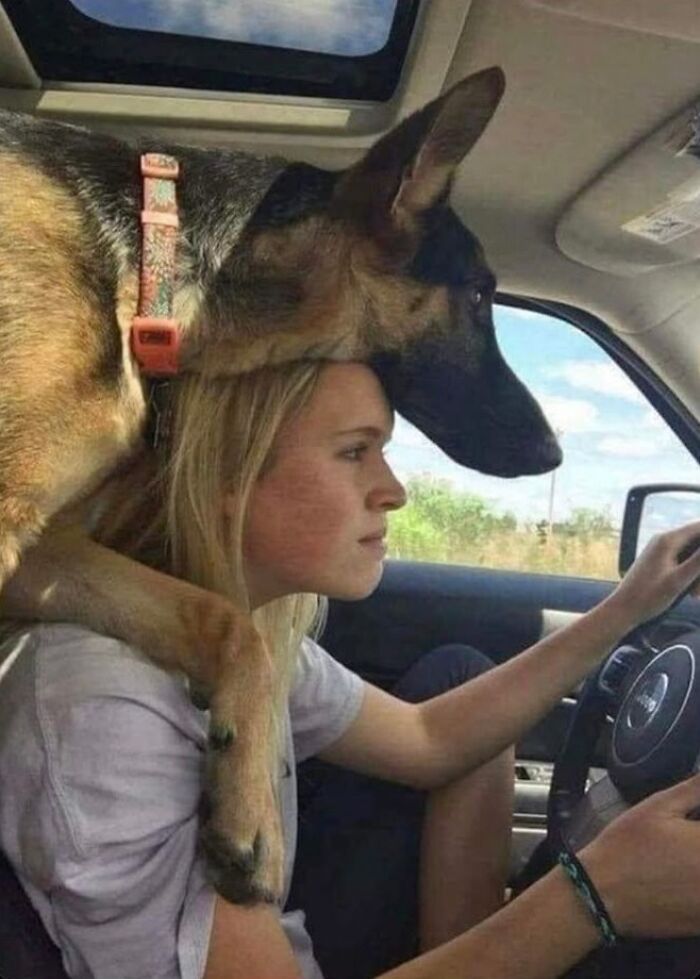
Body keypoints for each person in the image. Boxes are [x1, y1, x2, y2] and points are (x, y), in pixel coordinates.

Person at [0, 359, 699, 979]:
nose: (393, 489)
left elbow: (429, 739)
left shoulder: (236, 639)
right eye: (355, 451)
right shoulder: (103, 709)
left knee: (457, 673)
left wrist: (628, 606)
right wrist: (595, 894)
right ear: (227, 475)